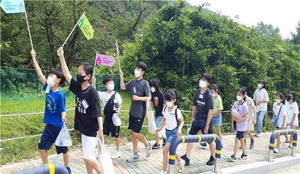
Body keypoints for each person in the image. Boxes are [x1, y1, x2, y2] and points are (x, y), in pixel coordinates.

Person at [57, 47, 103, 174]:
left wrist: (100, 129)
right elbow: (66, 75)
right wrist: (62, 56)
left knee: (87, 156)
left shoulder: (92, 92)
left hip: (92, 129)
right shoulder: (78, 87)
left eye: (80, 73)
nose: (78, 74)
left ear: (87, 76)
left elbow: (97, 111)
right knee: (87, 158)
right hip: (83, 128)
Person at [30, 50, 71, 173]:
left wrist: (64, 116)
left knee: (63, 150)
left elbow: (63, 110)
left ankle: (67, 168)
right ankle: (46, 168)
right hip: (49, 126)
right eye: (49, 75)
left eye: (52, 76)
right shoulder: (47, 88)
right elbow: (40, 74)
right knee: (42, 147)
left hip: (58, 127)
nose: (49, 77)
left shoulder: (60, 95)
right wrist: (34, 58)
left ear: (58, 80)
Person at [119, 61, 152, 162]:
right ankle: (135, 153)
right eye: (136, 68)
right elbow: (123, 87)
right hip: (132, 111)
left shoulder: (145, 83)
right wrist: (121, 76)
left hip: (140, 112)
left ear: (143, 72)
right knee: (133, 133)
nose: (136, 71)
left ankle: (147, 144)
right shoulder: (133, 82)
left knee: (136, 133)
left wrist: (138, 98)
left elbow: (149, 97)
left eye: (138, 69)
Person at [181, 73, 215, 166]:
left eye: (204, 80)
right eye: (201, 79)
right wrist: (192, 117)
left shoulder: (209, 95)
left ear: (207, 83)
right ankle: (187, 157)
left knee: (210, 140)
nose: (201, 81)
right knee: (190, 136)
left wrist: (207, 125)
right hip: (198, 118)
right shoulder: (197, 92)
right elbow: (195, 106)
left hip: (206, 119)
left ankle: (213, 156)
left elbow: (211, 111)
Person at [92, 76, 123, 159]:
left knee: (116, 135)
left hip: (114, 117)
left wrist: (119, 111)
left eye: (112, 82)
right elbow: (94, 92)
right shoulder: (103, 94)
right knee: (101, 134)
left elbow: (120, 104)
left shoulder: (117, 94)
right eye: (109, 83)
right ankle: (99, 151)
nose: (111, 84)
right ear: (105, 85)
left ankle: (118, 151)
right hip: (107, 118)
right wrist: (93, 82)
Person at [156, 89, 185, 174]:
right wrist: (160, 127)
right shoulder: (165, 108)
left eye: (170, 100)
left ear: (174, 100)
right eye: (167, 100)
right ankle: (180, 161)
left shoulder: (176, 111)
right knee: (171, 150)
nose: (168, 102)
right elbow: (165, 119)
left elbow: (182, 121)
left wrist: (179, 129)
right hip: (167, 132)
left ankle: (164, 170)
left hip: (174, 132)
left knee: (165, 151)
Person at [228, 87, 248, 162]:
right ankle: (244, 153)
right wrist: (234, 116)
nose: (238, 96)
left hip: (242, 126)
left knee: (237, 139)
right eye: (237, 94)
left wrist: (239, 120)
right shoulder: (236, 103)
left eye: (240, 95)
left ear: (243, 96)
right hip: (237, 124)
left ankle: (234, 155)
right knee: (241, 139)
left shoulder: (244, 105)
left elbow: (246, 116)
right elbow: (232, 111)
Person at [149, 78, 166, 149]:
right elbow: (152, 101)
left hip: (161, 114)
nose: (151, 88)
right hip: (156, 113)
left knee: (156, 128)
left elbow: (164, 105)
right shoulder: (153, 93)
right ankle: (165, 139)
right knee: (158, 128)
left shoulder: (160, 94)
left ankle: (157, 143)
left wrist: (165, 114)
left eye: (151, 86)